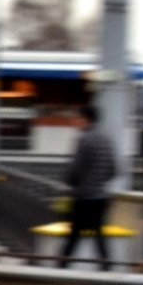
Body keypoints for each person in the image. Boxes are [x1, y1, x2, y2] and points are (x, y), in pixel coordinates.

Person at [56, 107, 118, 270]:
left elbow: (74, 168)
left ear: (86, 119)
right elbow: (114, 169)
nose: (77, 121)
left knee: (74, 233)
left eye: (79, 117)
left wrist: (70, 182)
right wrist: (100, 182)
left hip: (84, 196)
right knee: (98, 233)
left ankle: (61, 266)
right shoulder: (107, 138)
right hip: (101, 197)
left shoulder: (84, 138)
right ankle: (106, 266)